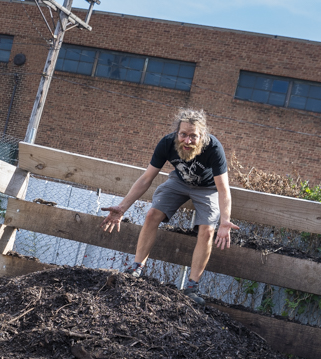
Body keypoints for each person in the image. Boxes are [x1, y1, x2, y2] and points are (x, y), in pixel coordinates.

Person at [100, 108, 238, 305]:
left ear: (202, 135)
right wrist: (122, 207)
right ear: (177, 133)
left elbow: (223, 188)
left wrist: (224, 221)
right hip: (179, 182)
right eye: (183, 135)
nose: (187, 141)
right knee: (152, 214)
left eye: (193, 136)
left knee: (207, 230)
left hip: (208, 189)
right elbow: (146, 178)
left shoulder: (214, 148)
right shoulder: (167, 143)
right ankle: (136, 268)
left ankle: (192, 286)